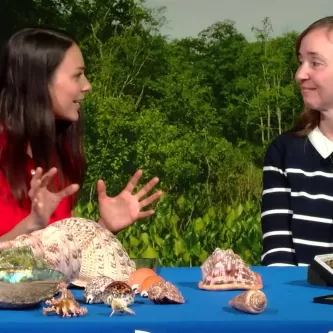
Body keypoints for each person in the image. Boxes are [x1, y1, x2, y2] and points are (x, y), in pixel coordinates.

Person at [0, 27, 162, 242]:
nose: (88, 86)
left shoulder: (58, 153)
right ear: (39, 82)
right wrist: (32, 225)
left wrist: (104, 227)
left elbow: (61, 257)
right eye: (77, 75)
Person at [261, 16, 333, 266]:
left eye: (315, 62)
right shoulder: (284, 152)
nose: (300, 74)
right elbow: (277, 255)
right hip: (299, 304)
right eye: (301, 62)